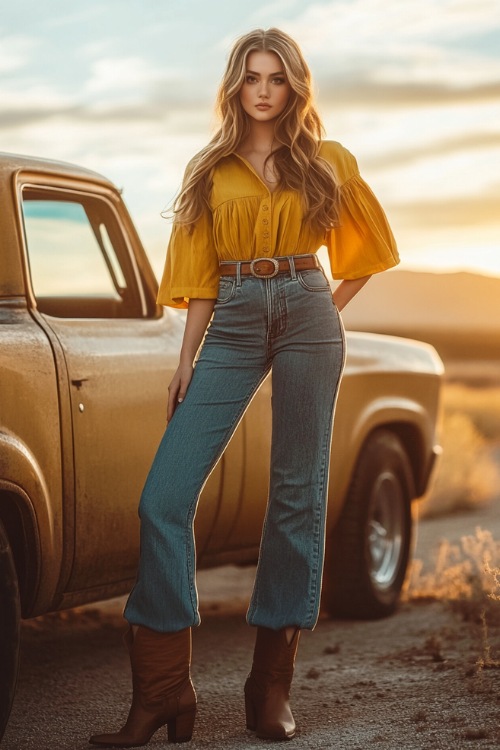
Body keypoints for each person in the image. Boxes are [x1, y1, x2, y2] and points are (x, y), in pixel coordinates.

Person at [89, 27, 399, 747]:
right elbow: (198, 279)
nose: (263, 90)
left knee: (297, 491)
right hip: (229, 317)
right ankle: (165, 691)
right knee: (163, 497)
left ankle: (269, 687)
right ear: (235, 86)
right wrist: (185, 358)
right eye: (252, 77)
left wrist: (318, 312)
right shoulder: (209, 168)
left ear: (295, 87)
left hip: (307, 307)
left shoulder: (329, 160)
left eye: (277, 78)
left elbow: (367, 256)